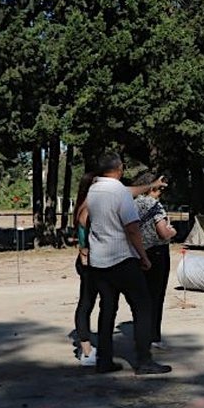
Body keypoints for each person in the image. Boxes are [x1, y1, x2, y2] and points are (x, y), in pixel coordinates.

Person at [86, 152, 172, 374]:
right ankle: (143, 360)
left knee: (107, 309)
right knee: (143, 307)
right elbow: (132, 229)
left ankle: (103, 360)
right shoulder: (119, 193)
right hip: (122, 258)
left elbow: (130, 191)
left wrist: (151, 184)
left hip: (99, 260)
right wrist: (143, 256)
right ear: (119, 169)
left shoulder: (94, 190)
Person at [133, 172, 177, 350]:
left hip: (137, 252)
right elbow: (162, 232)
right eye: (160, 189)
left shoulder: (132, 204)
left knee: (140, 297)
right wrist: (172, 231)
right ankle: (153, 336)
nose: (161, 193)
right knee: (156, 296)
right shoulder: (154, 205)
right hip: (157, 253)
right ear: (153, 188)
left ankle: (139, 334)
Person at [72, 172, 99, 366]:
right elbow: (83, 236)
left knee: (91, 302)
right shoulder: (87, 207)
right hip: (89, 261)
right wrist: (84, 255)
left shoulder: (90, 204)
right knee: (86, 303)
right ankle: (86, 349)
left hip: (95, 259)